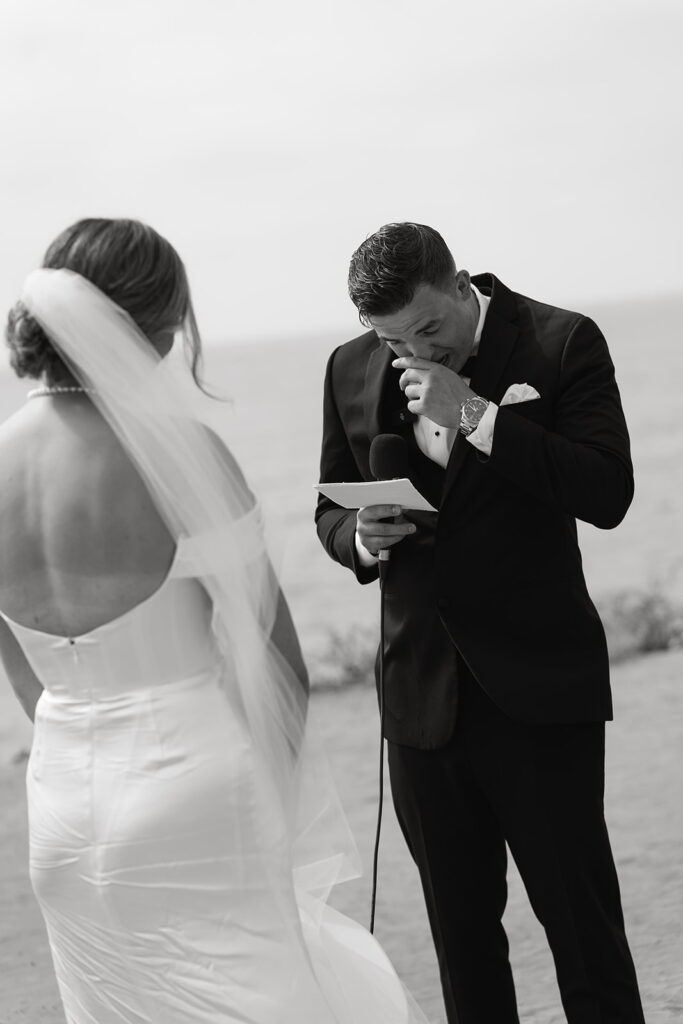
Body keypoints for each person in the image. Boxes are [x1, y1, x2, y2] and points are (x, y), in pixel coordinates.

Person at [0, 218, 430, 1024]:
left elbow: (20, 674)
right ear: (153, 328)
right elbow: (278, 667)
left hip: (59, 801)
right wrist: (272, 806)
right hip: (193, 791)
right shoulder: (175, 455)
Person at [315, 222, 646, 1024]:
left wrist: (479, 416)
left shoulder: (560, 342)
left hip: (539, 691)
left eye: (428, 328)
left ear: (461, 284)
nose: (411, 351)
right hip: (421, 701)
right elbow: (329, 504)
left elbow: (606, 492)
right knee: (461, 947)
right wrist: (357, 537)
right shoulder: (349, 367)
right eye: (390, 338)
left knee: (582, 933)